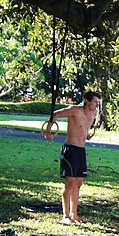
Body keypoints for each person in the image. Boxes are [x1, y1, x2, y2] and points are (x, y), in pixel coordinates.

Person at [49, 90, 101, 224]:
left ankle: (74, 214)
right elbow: (55, 114)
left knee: (78, 183)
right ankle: (65, 216)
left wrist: (86, 134)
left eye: (98, 103)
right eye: (95, 102)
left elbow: (83, 128)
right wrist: (49, 131)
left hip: (81, 150)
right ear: (87, 100)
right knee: (70, 182)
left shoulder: (93, 113)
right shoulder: (74, 110)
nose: (96, 105)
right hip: (70, 149)